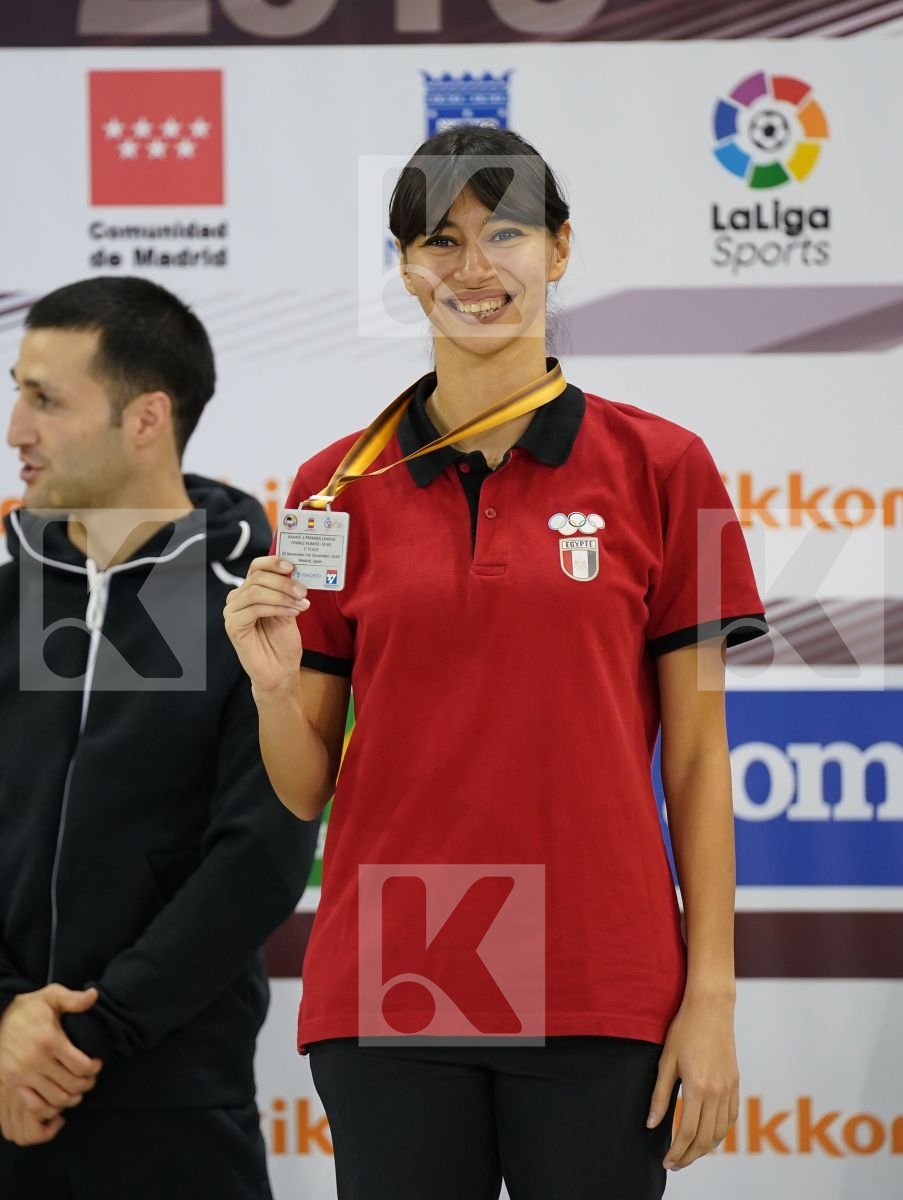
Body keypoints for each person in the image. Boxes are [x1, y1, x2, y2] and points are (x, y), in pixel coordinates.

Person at [224, 126, 767, 1200]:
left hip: (596, 962)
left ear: (560, 250)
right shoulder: (334, 484)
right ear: (406, 269)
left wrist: (711, 996)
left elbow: (699, 756)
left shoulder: (670, 467)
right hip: (400, 965)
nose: (475, 267)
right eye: (441, 240)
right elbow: (301, 786)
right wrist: (275, 684)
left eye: (506, 231)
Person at [0, 276, 318, 1199]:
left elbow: (260, 851)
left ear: (147, 418)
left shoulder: (248, 597)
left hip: (170, 1106)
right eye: (18, 390)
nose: (17, 428)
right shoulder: (4, 584)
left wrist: (85, 1037)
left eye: (45, 400)